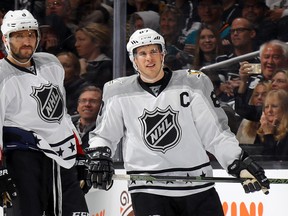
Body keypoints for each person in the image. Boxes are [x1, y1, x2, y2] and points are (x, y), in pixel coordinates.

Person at [85, 28, 270, 216]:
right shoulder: (118, 91)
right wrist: (100, 156)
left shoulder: (193, 83)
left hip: (197, 185)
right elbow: (103, 135)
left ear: (163, 54)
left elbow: (215, 134)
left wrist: (238, 162)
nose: (149, 58)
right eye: (142, 53)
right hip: (148, 189)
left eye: (154, 51)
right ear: (134, 59)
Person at [0, 9, 89, 215]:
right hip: (23, 161)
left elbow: (61, 115)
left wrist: (80, 153)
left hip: (62, 158)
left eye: (31, 34)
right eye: (19, 35)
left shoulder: (51, 63)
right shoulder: (2, 75)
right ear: (6, 39)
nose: (26, 41)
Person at [75, 22, 113, 90]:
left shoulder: (106, 67)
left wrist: (83, 73)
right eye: (76, 40)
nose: (76, 44)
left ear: (97, 42)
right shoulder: (78, 63)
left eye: (81, 40)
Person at [257, 89, 288, 160]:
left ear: (285, 109)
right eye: (266, 107)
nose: (269, 110)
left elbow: (271, 163)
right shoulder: (262, 130)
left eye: (274, 106)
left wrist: (268, 135)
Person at [57, 51, 88, 115]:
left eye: (66, 66)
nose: (61, 69)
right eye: (58, 65)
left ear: (76, 70)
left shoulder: (84, 90)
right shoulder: (49, 87)